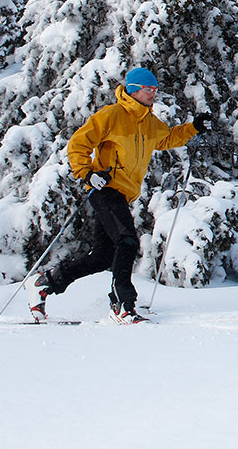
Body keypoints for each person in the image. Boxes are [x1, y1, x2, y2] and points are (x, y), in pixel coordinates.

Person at [26, 66, 210, 324]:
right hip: (105, 188)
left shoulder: (148, 121)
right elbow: (78, 143)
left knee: (102, 257)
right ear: (134, 90)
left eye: (155, 90)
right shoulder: (112, 115)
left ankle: (46, 283)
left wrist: (194, 127)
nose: (152, 94)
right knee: (127, 241)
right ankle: (122, 305)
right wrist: (88, 173)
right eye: (148, 89)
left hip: (123, 195)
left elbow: (166, 138)